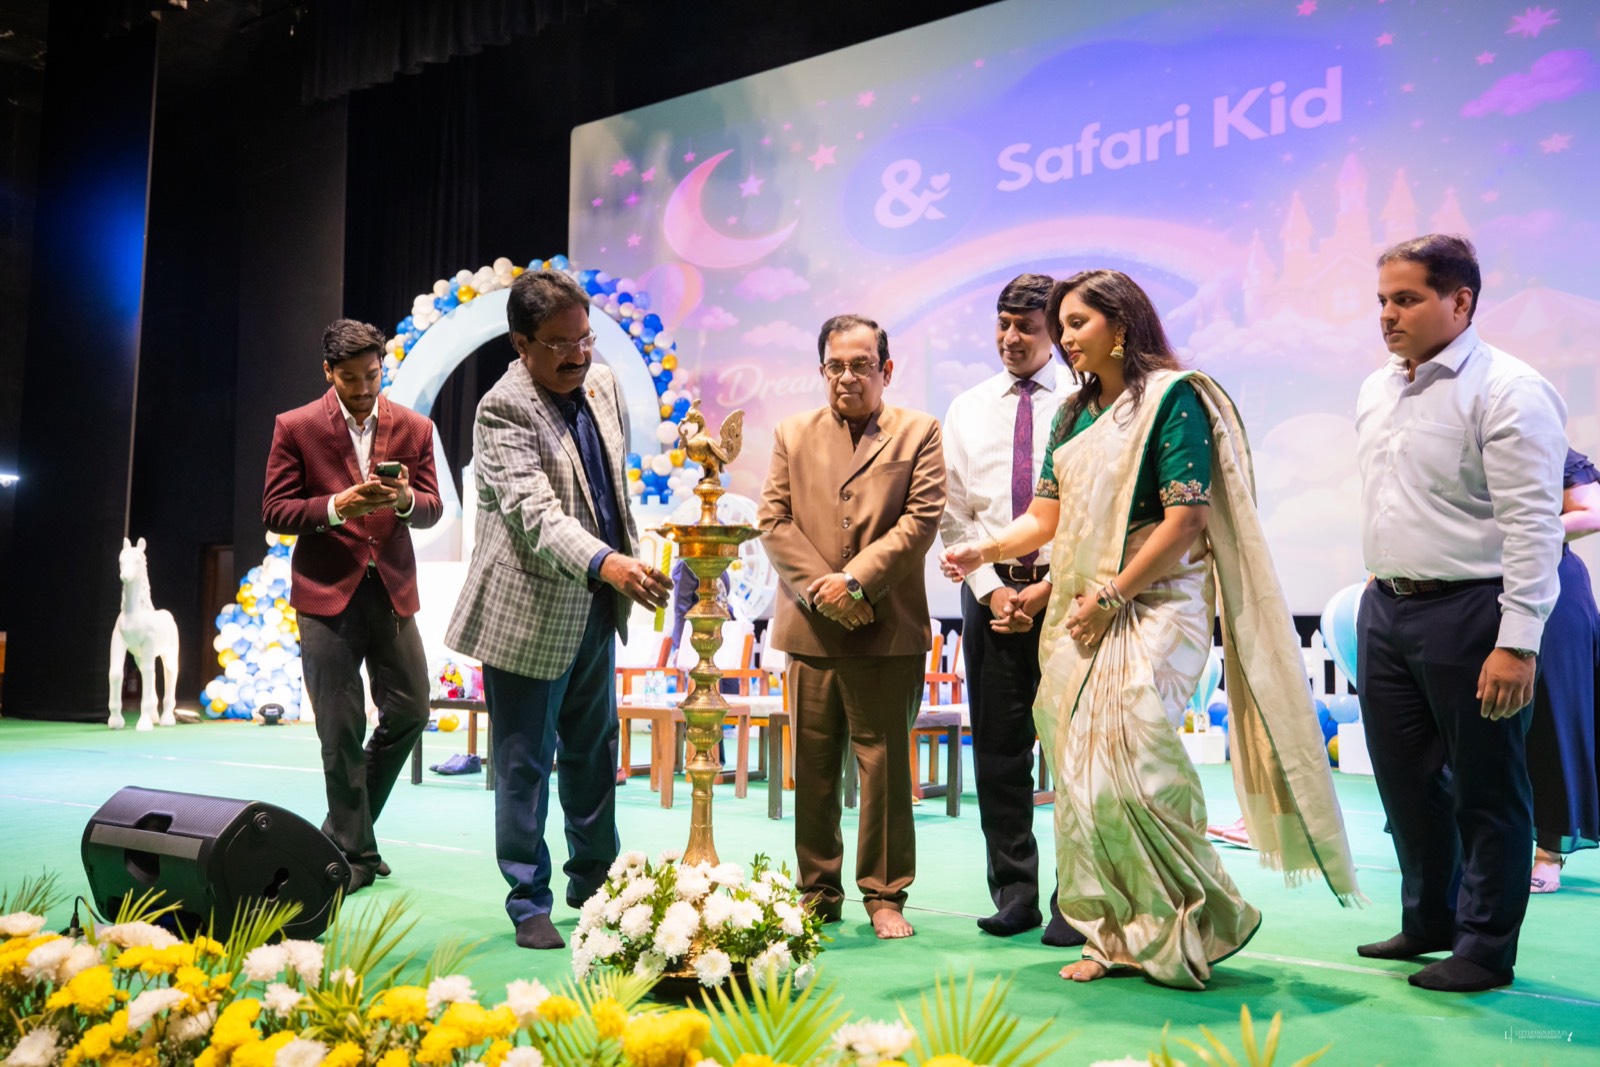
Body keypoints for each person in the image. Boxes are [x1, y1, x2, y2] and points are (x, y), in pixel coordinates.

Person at [942, 270, 1360, 990]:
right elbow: (1048, 518)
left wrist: (1115, 590)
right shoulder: (1074, 412)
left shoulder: (1174, 399)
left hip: (1158, 599)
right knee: (1082, 778)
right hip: (1084, 604)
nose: (1064, 337)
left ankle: (1197, 914)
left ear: (1122, 323)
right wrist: (988, 550)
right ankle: (1115, 934)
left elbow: (1186, 519)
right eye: (1061, 324)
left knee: (1135, 762)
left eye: (1075, 323)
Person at [1354, 234, 1566, 992]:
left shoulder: (1509, 388)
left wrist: (1518, 641)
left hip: (1473, 610)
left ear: (1461, 301)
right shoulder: (1377, 387)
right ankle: (1429, 920)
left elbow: (1535, 525)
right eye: (1382, 299)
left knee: (1487, 787)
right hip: (1387, 606)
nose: (1388, 314)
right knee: (1405, 783)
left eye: (1406, 298)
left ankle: (1483, 948)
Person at [445, 269, 670, 950]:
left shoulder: (599, 383)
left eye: (586, 338)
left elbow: (609, 488)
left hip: (597, 605)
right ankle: (527, 897)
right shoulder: (501, 409)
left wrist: (629, 553)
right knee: (523, 764)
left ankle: (597, 884)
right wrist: (609, 561)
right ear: (521, 343)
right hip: (527, 614)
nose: (579, 355)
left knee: (595, 755)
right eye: (560, 344)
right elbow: (536, 515)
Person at [757, 313, 946, 940]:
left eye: (861, 364)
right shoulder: (792, 432)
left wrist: (857, 581)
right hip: (811, 630)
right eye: (835, 365)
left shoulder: (920, 432)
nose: (847, 376)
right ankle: (817, 891)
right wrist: (824, 591)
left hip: (885, 628)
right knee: (811, 767)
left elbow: (919, 521)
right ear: (821, 370)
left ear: (885, 370)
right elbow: (774, 520)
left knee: (885, 766)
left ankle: (886, 894)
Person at [262, 318, 442, 893]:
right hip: (324, 596)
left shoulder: (415, 427)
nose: (364, 390)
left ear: (382, 367)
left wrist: (407, 499)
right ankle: (356, 854)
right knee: (339, 728)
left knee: (412, 711)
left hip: (392, 592)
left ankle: (340, 835)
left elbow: (435, 506)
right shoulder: (296, 427)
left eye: (372, 376)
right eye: (350, 379)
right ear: (327, 372)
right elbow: (275, 510)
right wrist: (338, 505)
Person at [939, 272, 1083, 945]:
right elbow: (954, 516)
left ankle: (1076, 900)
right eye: (1003, 323)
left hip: (1072, 598)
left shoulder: (1089, 398)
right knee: (999, 752)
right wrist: (996, 590)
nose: (1011, 337)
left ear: (1055, 329)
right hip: (989, 598)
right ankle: (1016, 892)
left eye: (1026, 325)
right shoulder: (967, 407)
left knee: (1077, 754)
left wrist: (1048, 589)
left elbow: (1095, 514)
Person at [1526, 448, 1600, 892]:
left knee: (1553, 721)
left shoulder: (1552, 446)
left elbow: (1591, 514)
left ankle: (1548, 854)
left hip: (1552, 588)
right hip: (1468, 594)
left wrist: (1516, 534)